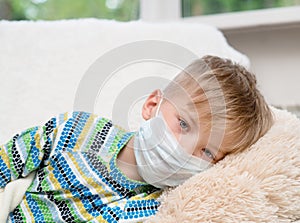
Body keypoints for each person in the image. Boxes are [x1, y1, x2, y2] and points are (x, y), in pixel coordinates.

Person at [0, 55, 273, 222]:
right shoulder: (78, 130)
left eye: (207, 152)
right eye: (183, 124)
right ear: (152, 104)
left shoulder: (157, 207)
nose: (183, 149)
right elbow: (10, 159)